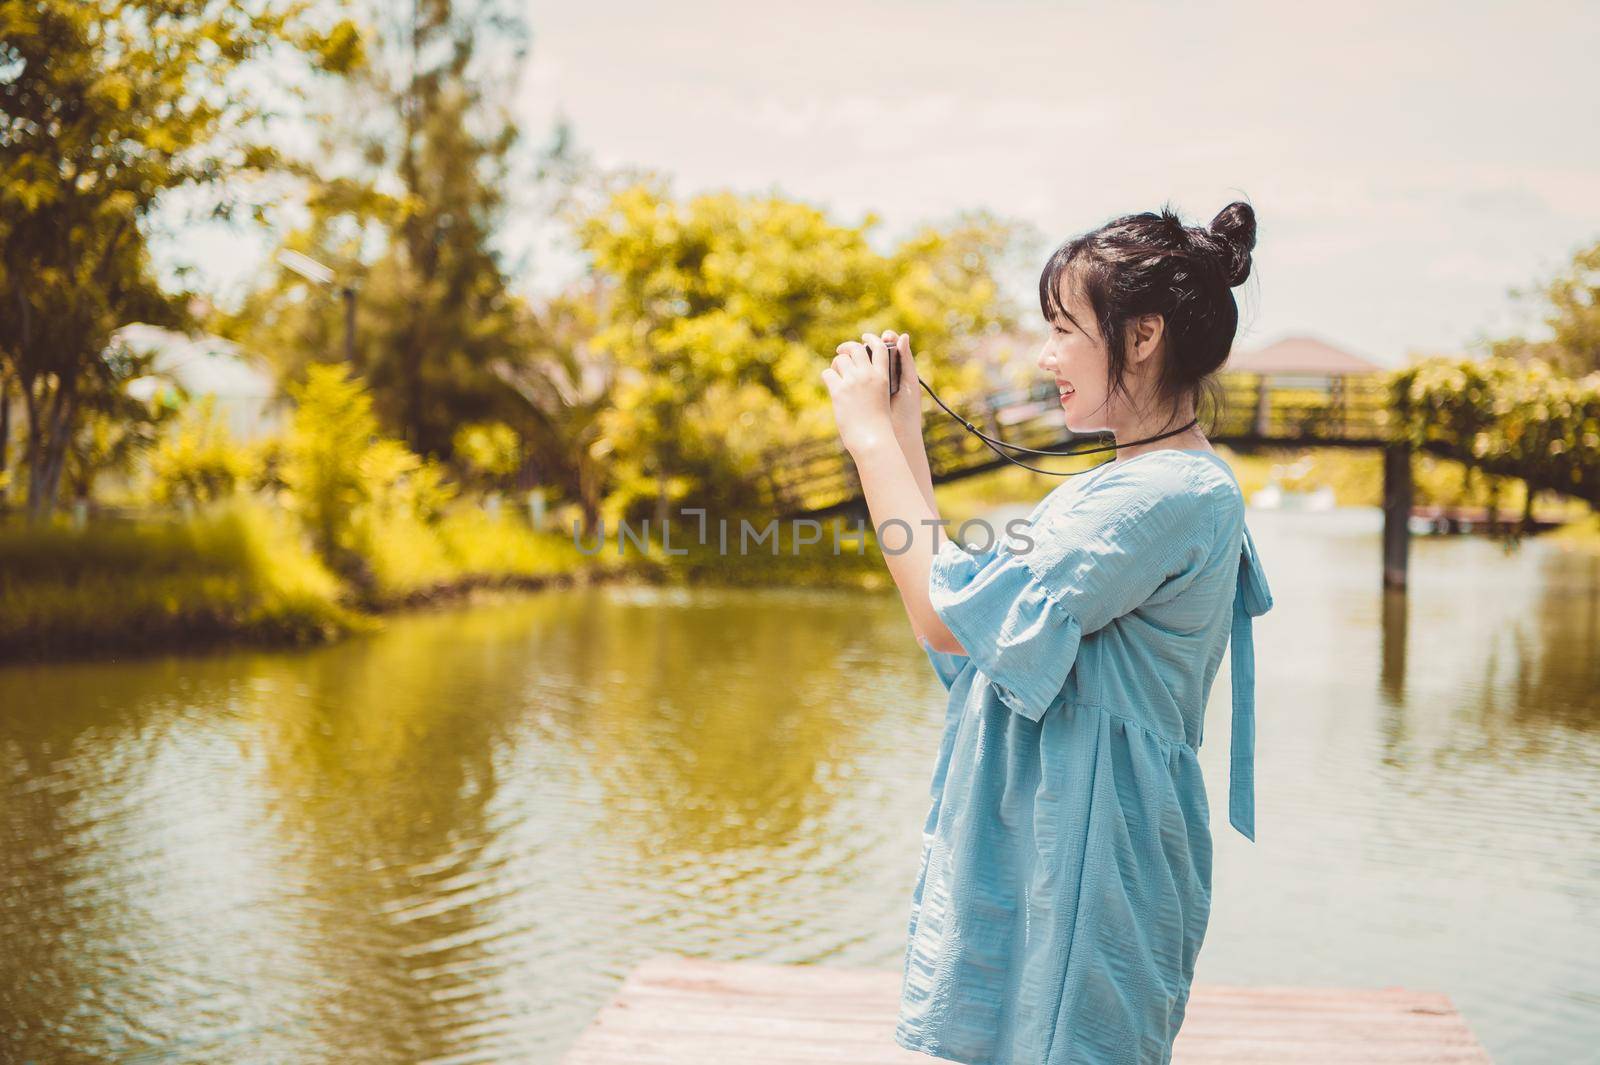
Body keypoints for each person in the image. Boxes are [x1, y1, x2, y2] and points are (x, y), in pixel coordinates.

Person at [820, 201, 1275, 1065]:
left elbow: (943, 613)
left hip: (1095, 860)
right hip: (1056, 840)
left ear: (1140, 338)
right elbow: (972, 621)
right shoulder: (1126, 485)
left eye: (1065, 328)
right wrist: (905, 429)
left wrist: (868, 439)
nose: (1045, 354)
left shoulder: (1166, 494)